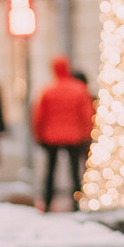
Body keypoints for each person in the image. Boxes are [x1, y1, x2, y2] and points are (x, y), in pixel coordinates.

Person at [32, 56, 95, 211]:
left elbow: (39, 116)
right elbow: (86, 114)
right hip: (73, 136)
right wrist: (87, 135)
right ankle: (76, 202)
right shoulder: (79, 89)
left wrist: (39, 136)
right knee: (74, 171)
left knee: (50, 171)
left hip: (51, 137)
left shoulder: (48, 90)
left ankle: (47, 201)